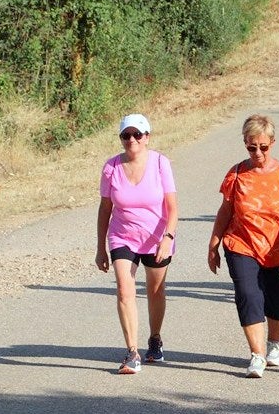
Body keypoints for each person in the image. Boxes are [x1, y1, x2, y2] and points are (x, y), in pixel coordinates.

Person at [208, 115, 279, 378]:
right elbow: (226, 210)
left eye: (263, 146)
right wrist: (214, 244)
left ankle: (274, 342)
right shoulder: (237, 173)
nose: (258, 152)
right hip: (241, 243)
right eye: (252, 147)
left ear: (272, 143)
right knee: (248, 294)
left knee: (277, 299)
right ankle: (257, 354)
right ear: (245, 144)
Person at [96, 114, 179, 374]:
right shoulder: (111, 167)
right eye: (126, 135)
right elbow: (105, 208)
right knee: (124, 290)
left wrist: (168, 237)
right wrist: (100, 247)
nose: (132, 140)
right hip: (122, 236)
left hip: (156, 238)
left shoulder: (160, 163)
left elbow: (172, 208)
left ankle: (155, 338)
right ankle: (132, 352)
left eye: (137, 135)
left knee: (155, 291)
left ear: (147, 137)